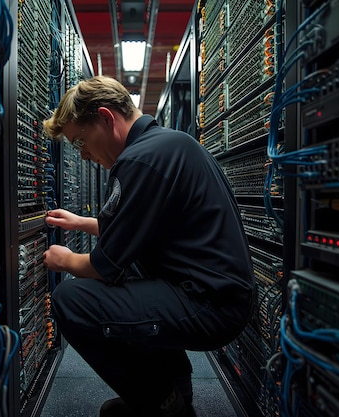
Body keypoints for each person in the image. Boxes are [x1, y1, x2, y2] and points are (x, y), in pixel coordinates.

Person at [42, 75, 255, 417]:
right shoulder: (168, 145)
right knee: (134, 272)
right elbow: (138, 230)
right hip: (220, 296)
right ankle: (175, 390)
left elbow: (103, 265)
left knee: (71, 299)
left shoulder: (139, 160)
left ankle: (158, 402)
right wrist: (81, 222)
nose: (83, 155)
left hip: (210, 306)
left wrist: (65, 259)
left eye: (81, 140)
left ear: (106, 117)